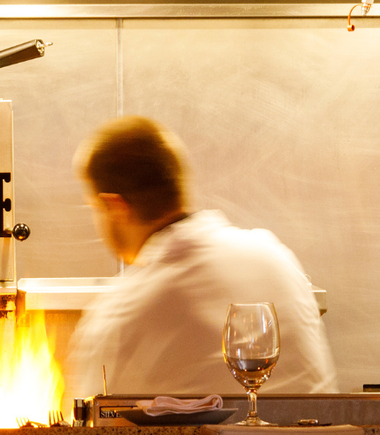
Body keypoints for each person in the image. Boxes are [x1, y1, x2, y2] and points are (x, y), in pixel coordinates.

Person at [61, 116, 337, 402]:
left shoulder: (119, 314)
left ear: (115, 206)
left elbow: (89, 430)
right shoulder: (274, 255)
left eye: (93, 207)